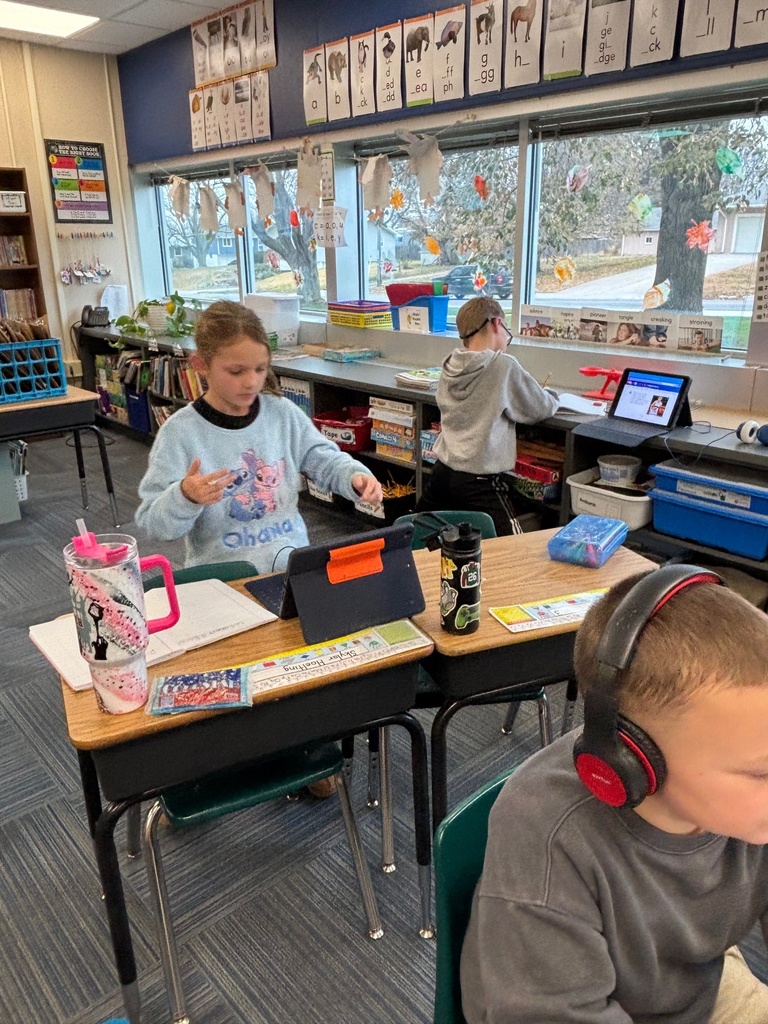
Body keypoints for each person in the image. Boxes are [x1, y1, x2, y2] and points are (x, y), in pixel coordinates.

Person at [461, 568, 768, 1024]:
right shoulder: (547, 835)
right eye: (761, 772)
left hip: (694, 986)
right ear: (632, 761)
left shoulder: (744, 795)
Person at [136, 300, 382, 572]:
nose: (252, 382)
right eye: (236, 371)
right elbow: (154, 524)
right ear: (201, 365)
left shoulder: (282, 414)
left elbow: (323, 459)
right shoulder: (180, 433)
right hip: (224, 581)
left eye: (260, 369)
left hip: (291, 569)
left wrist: (353, 476)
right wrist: (185, 496)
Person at [416, 296, 558, 536]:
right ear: (496, 323)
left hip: (442, 473)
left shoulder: (450, 365)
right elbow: (540, 407)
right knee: (513, 548)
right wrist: (552, 395)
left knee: (418, 537)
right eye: (505, 330)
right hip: (479, 482)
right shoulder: (503, 365)